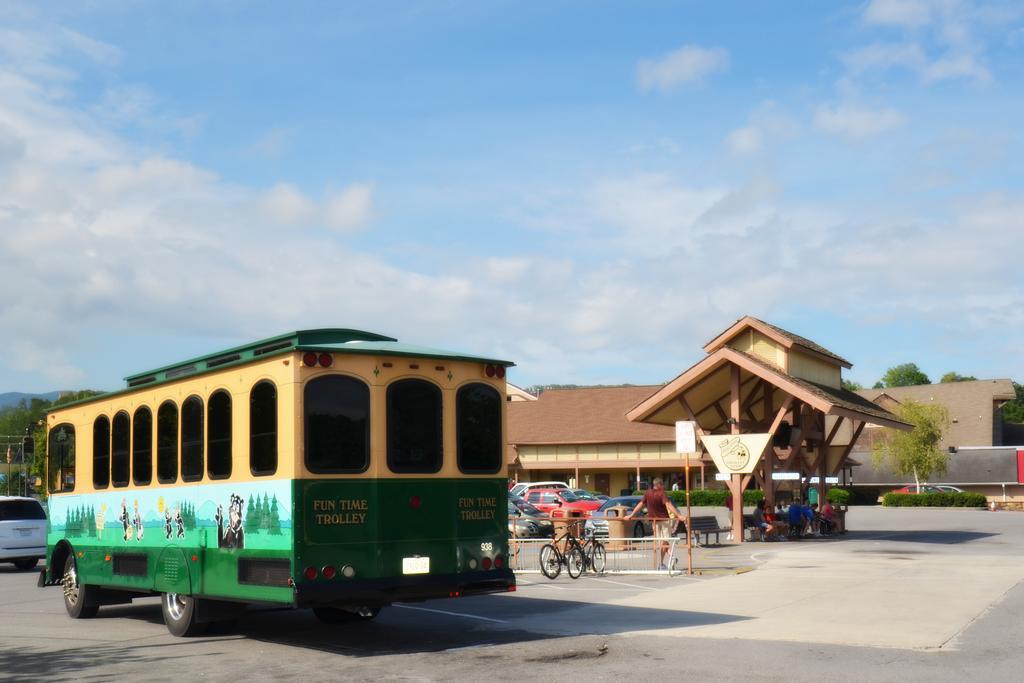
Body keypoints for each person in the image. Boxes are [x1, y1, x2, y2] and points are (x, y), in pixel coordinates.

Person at [628, 477, 682, 570]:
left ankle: (664, 562)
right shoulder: (662, 493)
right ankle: (669, 559)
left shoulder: (648, 493)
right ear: (660, 485)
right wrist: (679, 516)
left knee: (662, 542)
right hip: (665, 521)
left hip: (655, 522)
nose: (663, 487)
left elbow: (640, 504)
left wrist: (631, 515)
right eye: (663, 485)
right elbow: (668, 505)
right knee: (664, 542)